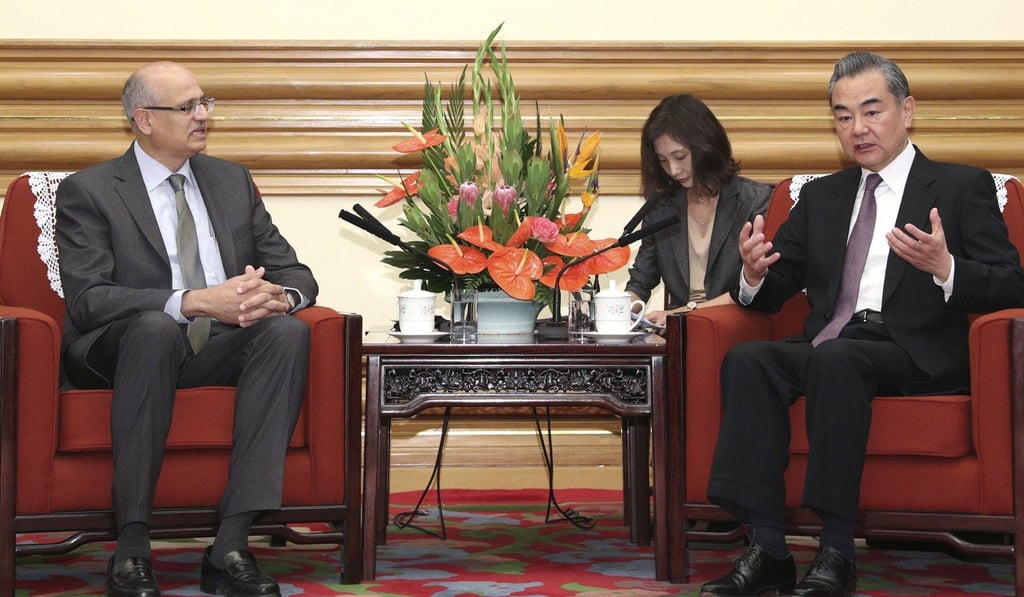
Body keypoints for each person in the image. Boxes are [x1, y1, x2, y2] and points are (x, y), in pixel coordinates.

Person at [701, 52, 1024, 597]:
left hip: (914, 351)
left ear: (908, 110)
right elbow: (775, 288)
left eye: (872, 111)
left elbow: (1013, 283)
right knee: (750, 359)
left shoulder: (960, 187)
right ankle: (768, 548)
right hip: (833, 342)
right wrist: (753, 273)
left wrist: (945, 268)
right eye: (844, 116)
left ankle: (836, 550)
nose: (859, 128)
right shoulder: (823, 196)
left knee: (838, 357)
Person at [55, 61, 317, 597]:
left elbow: (295, 273)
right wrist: (193, 302)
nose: (203, 116)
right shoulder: (91, 190)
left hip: (216, 348)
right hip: (128, 348)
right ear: (143, 119)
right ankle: (130, 549)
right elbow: (88, 300)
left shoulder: (231, 180)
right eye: (188, 107)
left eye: (206, 103)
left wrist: (279, 298)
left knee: (287, 332)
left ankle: (231, 545)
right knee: (154, 329)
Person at [625, 94, 771, 327]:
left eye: (680, 156)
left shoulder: (754, 201)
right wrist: (619, 311)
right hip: (680, 331)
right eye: (662, 160)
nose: (673, 169)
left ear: (706, 146)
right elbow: (640, 283)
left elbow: (755, 289)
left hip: (736, 327)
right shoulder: (662, 208)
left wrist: (683, 313)